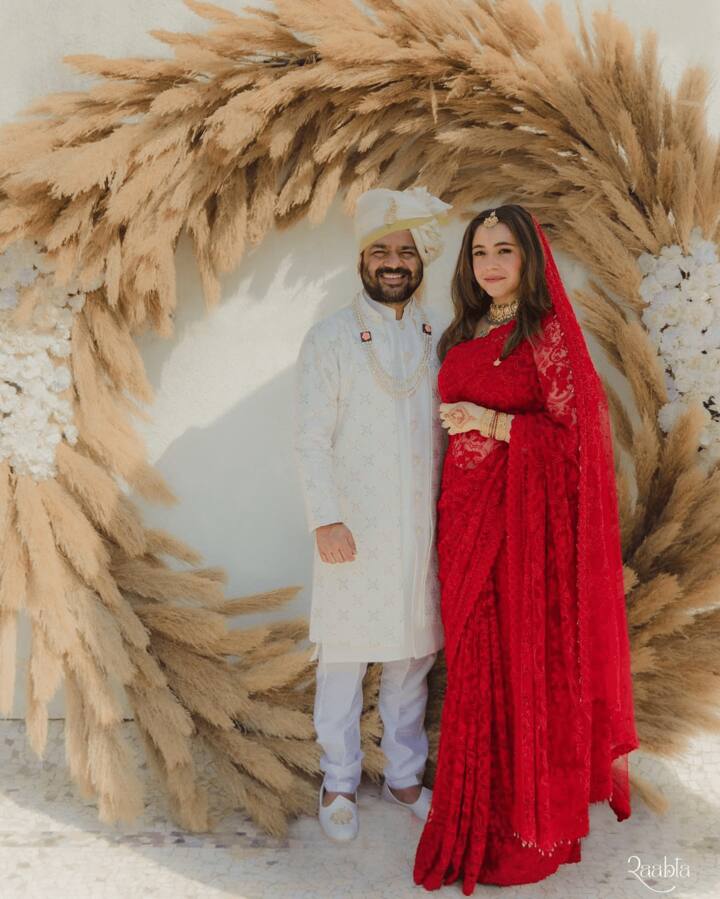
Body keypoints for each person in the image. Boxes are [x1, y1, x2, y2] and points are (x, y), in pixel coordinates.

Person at [413, 205, 639, 891]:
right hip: (462, 524)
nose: (489, 264)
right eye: (478, 252)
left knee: (521, 664)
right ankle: (471, 809)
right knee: (473, 664)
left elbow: (578, 447)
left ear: (529, 259)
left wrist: (493, 423)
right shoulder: (464, 331)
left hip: (522, 539)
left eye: (503, 250)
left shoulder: (548, 340)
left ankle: (524, 826)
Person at [293, 186, 452, 842]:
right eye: (381, 250)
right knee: (345, 661)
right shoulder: (330, 335)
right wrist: (325, 518)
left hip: (422, 532)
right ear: (362, 259)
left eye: (406, 251)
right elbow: (309, 436)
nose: (394, 261)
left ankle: (406, 775)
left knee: (412, 658)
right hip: (352, 534)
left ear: (421, 263)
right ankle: (339, 778)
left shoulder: (437, 333)